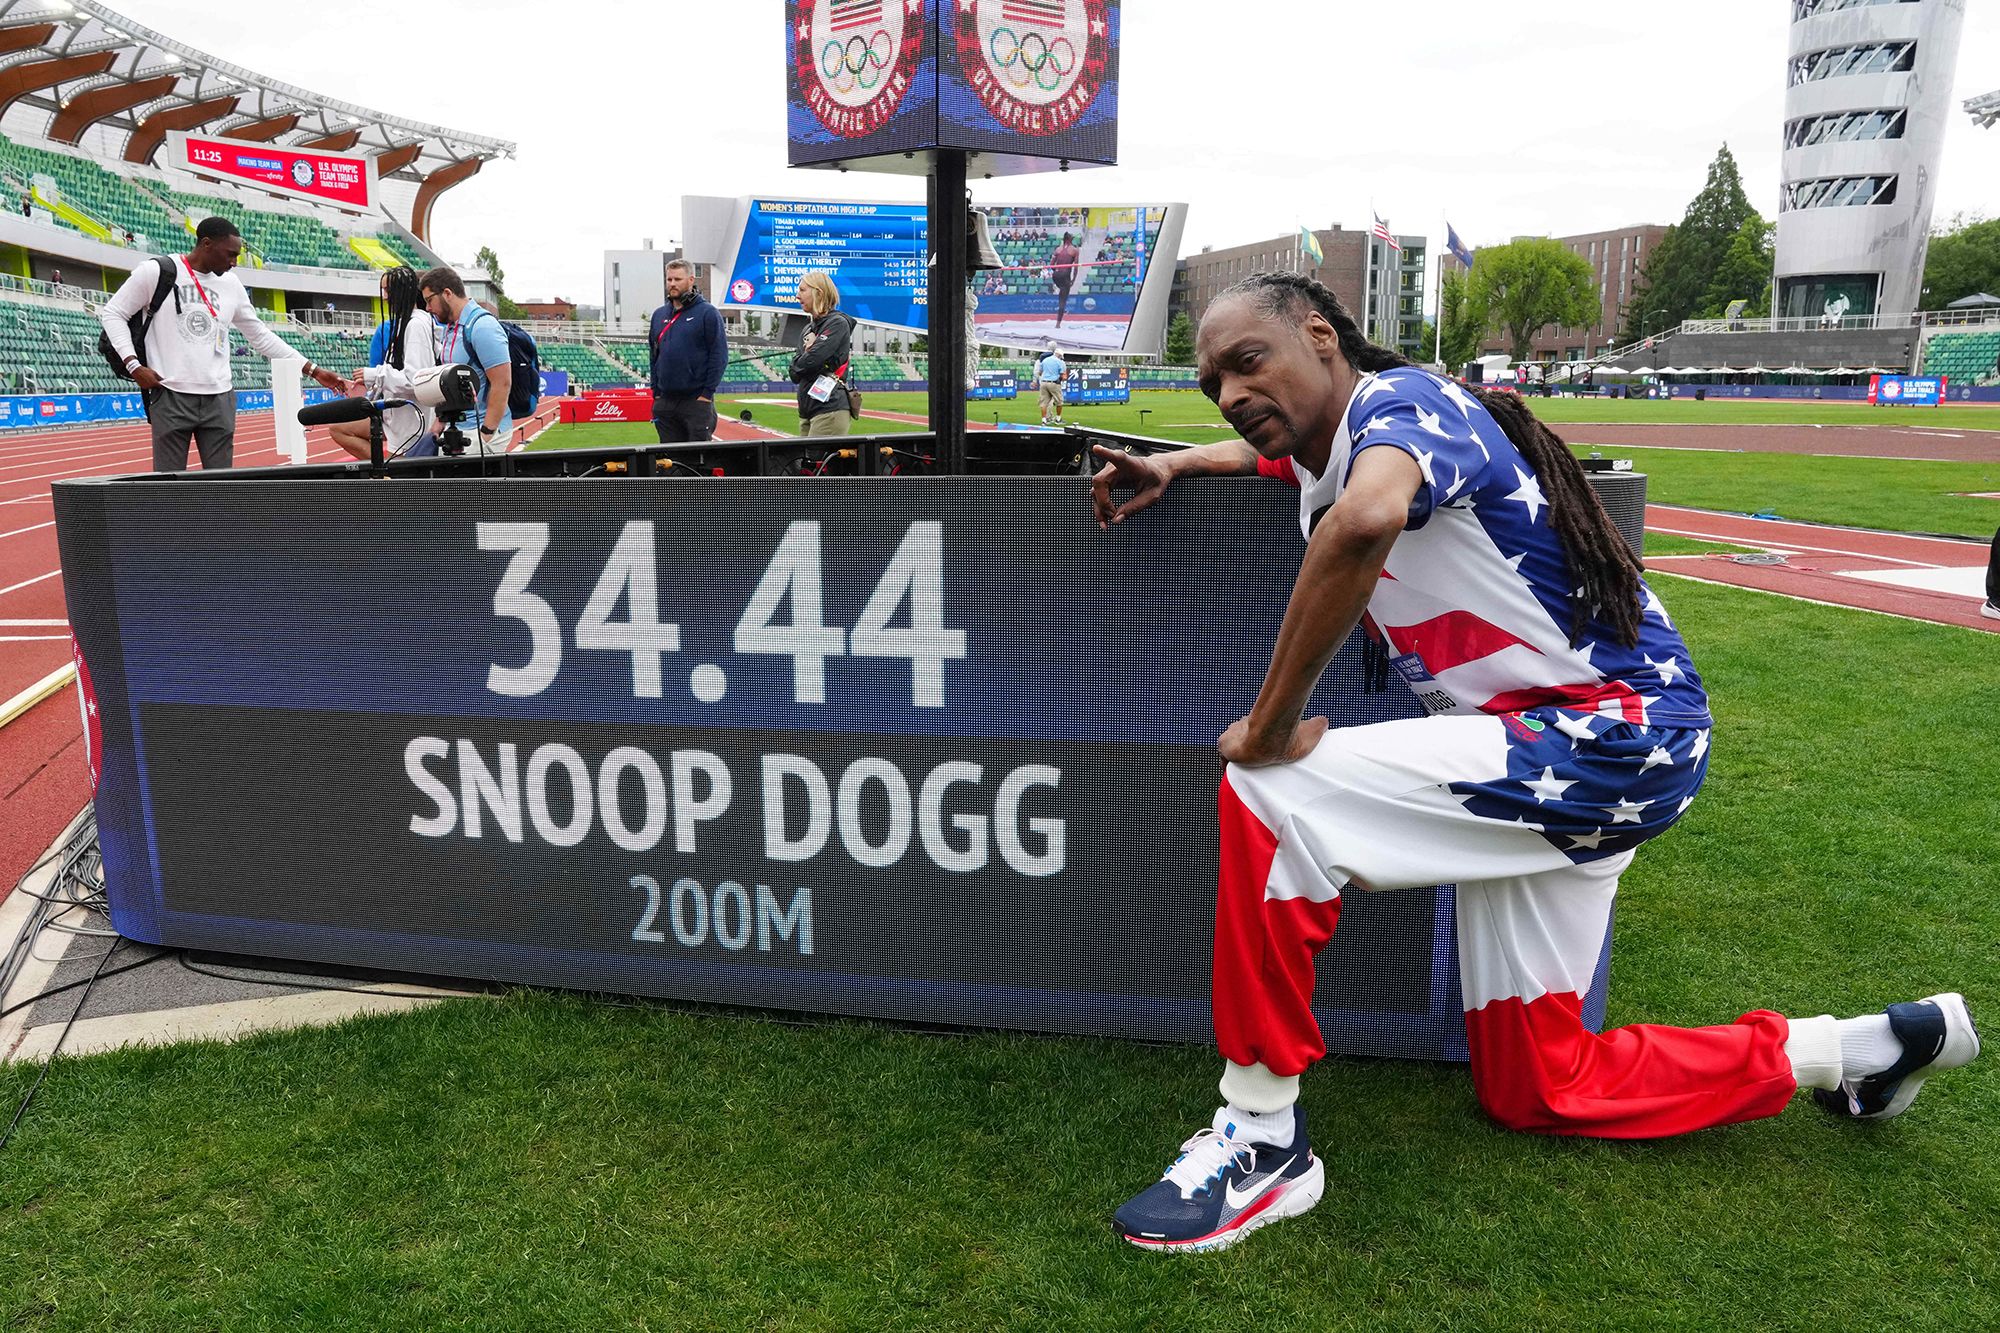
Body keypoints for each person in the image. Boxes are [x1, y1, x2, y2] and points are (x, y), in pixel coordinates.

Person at [1089, 270, 1979, 1254]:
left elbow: (1366, 515)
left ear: (1320, 337)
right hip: (1589, 756)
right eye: (1210, 380)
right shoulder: (1333, 444)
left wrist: (1268, 721)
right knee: (1541, 1084)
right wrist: (1179, 462)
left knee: (1268, 790)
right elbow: (1298, 471)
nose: (1229, 392)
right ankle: (1861, 1048)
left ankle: (1261, 1138)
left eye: (1247, 362)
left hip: (1601, 739)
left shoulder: (1409, 402)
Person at [99, 216, 345, 472]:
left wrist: (313, 370)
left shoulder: (231, 284)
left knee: (222, 485)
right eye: (230, 254)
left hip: (220, 397)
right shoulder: (157, 271)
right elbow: (114, 313)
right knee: (167, 485)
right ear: (206, 244)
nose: (234, 262)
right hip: (170, 391)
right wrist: (133, 364)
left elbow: (259, 335)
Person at [330, 266, 437, 460]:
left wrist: (373, 374)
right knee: (339, 429)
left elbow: (415, 380)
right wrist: (371, 383)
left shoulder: (415, 326)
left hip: (410, 421)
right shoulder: (405, 324)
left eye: (388, 290)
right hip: (398, 416)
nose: (385, 297)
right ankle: (384, 469)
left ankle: (386, 470)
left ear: (401, 291)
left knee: (405, 478)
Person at [418, 265, 511, 454]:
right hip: (457, 429)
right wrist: (441, 421)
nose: (428, 308)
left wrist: (486, 433)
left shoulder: (483, 326)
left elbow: (502, 382)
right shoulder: (451, 328)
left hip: (479, 431)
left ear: (447, 293)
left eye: (429, 300)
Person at [648, 258, 726, 443]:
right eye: (669, 280)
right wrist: (656, 391)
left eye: (678, 279)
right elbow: (653, 355)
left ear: (691, 280)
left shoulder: (708, 313)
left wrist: (707, 394)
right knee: (669, 462)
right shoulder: (659, 315)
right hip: (665, 400)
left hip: (695, 401)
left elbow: (719, 356)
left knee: (698, 461)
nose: (672, 284)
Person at [789, 271, 854, 438]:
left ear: (819, 292)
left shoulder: (837, 323)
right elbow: (795, 374)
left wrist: (806, 358)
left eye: (802, 290)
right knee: (805, 462)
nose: (797, 296)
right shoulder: (808, 328)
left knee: (819, 462)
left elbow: (811, 360)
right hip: (807, 409)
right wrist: (806, 359)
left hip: (829, 408)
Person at [1049, 231, 1082, 328]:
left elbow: (1051, 265)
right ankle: (1058, 324)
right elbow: (1075, 267)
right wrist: (1073, 280)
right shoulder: (1075, 250)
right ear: (1069, 239)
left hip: (1056, 276)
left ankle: (1061, 292)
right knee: (1062, 300)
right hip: (1064, 275)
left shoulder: (1058, 249)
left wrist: (1057, 271)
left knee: (1062, 291)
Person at [1036, 343, 1067, 426]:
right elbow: (1063, 375)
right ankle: (1058, 419)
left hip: (1043, 382)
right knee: (1059, 402)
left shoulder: (1045, 360)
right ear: (1060, 356)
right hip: (1054, 383)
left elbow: (1040, 373)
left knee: (1043, 403)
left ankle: (1044, 420)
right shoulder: (1059, 362)